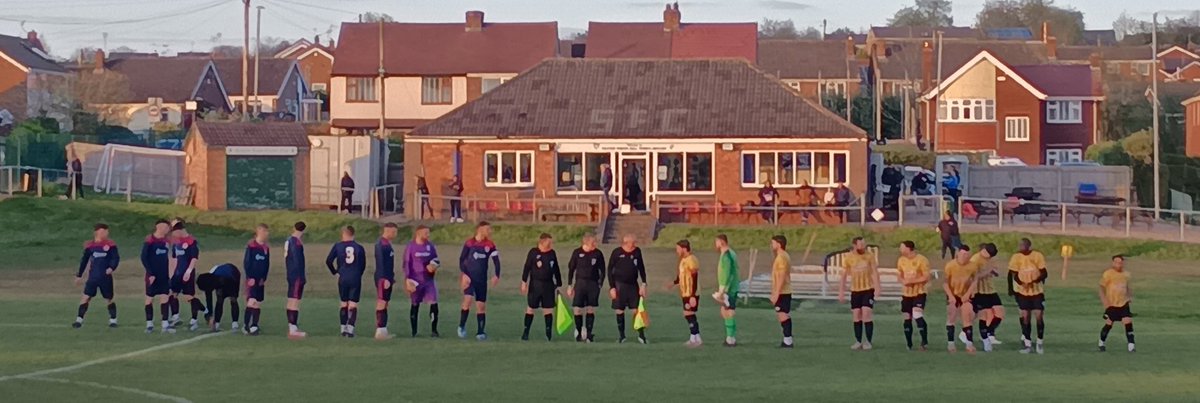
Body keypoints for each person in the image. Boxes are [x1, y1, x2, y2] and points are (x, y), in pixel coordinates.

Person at [457, 221, 501, 341]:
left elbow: (496, 261)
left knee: (481, 306)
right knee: (468, 300)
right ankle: (461, 326)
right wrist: (464, 274)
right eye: (487, 229)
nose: (489, 231)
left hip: (481, 280)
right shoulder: (470, 243)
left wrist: (497, 275)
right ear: (480, 229)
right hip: (470, 278)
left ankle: (480, 332)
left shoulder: (490, 245)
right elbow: (461, 260)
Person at [72, 223, 120, 329]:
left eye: (106, 231)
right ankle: (79, 320)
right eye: (103, 231)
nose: (105, 234)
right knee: (86, 297)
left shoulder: (110, 245)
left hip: (105, 277)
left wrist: (111, 268)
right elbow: (84, 261)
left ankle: (113, 320)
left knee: (109, 298)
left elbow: (115, 258)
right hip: (93, 277)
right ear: (96, 232)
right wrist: (79, 275)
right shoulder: (90, 246)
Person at [838, 237, 880, 350]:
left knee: (866, 313)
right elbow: (844, 275)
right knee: (856, 314)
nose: (862, 247)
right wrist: (841, 291)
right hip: (855, 290)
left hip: (868, 289)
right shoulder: (848, 258)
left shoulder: (869, 256)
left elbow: (875, 272)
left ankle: (868, 341)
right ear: (854, 245)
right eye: (860, 245)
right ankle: (858, 341)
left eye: (864, 245)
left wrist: (877, 288)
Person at [1008, 238, 1048, 354]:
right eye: (1020, 245)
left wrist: (1034, 281)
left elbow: (1044, 273)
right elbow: (1014, 275)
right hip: (1023, 292)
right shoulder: (1016, 257)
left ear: (1029, 246)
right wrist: (1022, 284)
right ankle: (1028, 344)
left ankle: (1040, 343)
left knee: (1039, 316)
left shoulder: (1037, 256)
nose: (1021, 247)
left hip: (1037, 292)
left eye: (1023, 245)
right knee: (1025, 317)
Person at [326, 226, 367, 338]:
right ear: (353, 235)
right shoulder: (359, 247)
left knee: (343, 303)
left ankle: (343, 328)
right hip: (355, 277)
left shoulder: (338, 246)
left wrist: (335, 271)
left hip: (343, 277)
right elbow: (363, 265)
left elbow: (328, 260)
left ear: (343, 234)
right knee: (353, 304)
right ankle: (350, 330)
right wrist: (358, 274)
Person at [607, 234, 648, 344]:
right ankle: (622, 336)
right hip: (619, 285)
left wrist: (643, 284)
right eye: (632, 243)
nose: (634, 244)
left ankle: (641, 335)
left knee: (636, 310)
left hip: (633, 285)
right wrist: (612, 287)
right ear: (626, 243)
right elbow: (610, 270)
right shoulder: (617, 252)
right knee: (619, 310)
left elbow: (641, 268)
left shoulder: (637, 252)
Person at [520, 233, 562, 341]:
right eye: (549, 242)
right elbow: (527, 267)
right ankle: (526, 332)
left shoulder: (552, 253)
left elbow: (556, 268)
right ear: (542, 242)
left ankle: (548, 334)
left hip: (548, 285)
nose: (551, 244)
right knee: (531, 308)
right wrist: (524, 281)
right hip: (535, 285)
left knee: (548, 309)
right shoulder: (533, 252)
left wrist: (559, 283)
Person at [169, 221, 207, 332]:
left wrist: (188, 271)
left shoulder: (191, 242)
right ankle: (175, 317)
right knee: (172, 293)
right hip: (177, 273)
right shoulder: (177, 243)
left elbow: (194, 258)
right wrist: (171, 273)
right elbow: (174, 258)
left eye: (174, 232)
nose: (173, 235)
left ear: (180, 230)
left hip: (187, 274)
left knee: (189, 297)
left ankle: (195, 320)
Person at [403, 225, 441, 337]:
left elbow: (436, 260)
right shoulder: (411, 247)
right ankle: (414, 331)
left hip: (428, 280)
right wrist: (407, 279)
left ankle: (434, 331)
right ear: (418, 233)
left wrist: (434, 265)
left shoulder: (430, 246)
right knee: (415, 304)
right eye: (426, 233)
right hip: (415, 280)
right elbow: (406, 264)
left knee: (433, 302)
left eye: (428, 233)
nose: (428, 235)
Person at [567, 234, 605, 342]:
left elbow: (602, 270)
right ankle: (578, 333)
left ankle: (589, 334)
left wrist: (600, 284)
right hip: (580, 283)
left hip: (593, 284)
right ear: (586, 243)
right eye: (593, 243)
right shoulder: (577, 253)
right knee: (577, 309)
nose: (595, 244)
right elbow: (571, 269)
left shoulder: (598, 254)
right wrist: (570, 285)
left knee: (590, 308)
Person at [896, 240, 931, 351]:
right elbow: (899, 275)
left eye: (902, 247)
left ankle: (924, 341)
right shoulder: (901, 260)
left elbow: (926, 277)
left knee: (917, 314)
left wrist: (913, 281)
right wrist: (903, 281)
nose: (900, 250)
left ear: (908, 248)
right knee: (907, 318)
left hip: (919, 292)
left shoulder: (922, 260)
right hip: (906, 294)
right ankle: (909, 344)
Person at [944, 245, 979, 354]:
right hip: (953, 294)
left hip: (965, 295)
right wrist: (950, 296)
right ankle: (951, 344)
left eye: (968, 255)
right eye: (963, 254)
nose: (965, 257)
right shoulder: (950, 266)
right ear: (958, 253)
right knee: (951, 317)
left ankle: (969, 344)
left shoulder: (972, 266)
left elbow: (975, 281)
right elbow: (945, 283)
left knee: (967, 316)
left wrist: (968, 294)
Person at [666, 239, 701, 347]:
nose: (677, 251)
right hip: (685, 292)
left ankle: (694, 339)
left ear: (684, 248)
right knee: (688, 314)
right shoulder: (683, 260)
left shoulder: (691, 259)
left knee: (688, 313)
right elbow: (681, 275)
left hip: (691, 292)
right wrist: (673, 283)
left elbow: (694, 277)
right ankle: (696, 338)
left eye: (678, 248)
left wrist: (692, 295)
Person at [140, 219, 172, 334]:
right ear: (159, 227)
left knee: (165, 297)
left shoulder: (166, 241)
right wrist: (150, 273)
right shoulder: (150, 240)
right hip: (152, 275)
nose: (168, 230)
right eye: (166, 227)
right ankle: (149, 324)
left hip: (164, 275)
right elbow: (144, 257)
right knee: (149, 298)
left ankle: (165, 324)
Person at [1098, 255, 1136, 353]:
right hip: (1112, 304)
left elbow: (1126, 286)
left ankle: (1131, 346)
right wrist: (1105, 301)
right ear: (1113, 263)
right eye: (1116, 262)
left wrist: (1129, 296)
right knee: (1109, 323)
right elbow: (1101, 287)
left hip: (1123, 303)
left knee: (1128, 322)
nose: (1118, 264)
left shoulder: (1126, 274)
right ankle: (1101, 342)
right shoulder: (1108, 274)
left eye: (1120, 262)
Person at [971, 243, 1004, 351]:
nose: (990, 258)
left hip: (991, 289)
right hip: (980, 291)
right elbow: (973, 277)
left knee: (1000, 313)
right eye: (989, 255)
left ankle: (989, 332)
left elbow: (996, 270)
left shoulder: (990, 259)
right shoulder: (975, 260)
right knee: (984, 315)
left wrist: (995, 272)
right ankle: (985, 338)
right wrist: (987, 272)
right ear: (984, 251)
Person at [372, 223, 400, 340]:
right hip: (382, 278)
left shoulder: (387, 244)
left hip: (388, 278)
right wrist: (384, 278)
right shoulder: (381, 244)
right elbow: (381, 262)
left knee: (385, 302)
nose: (395, 234)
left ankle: (383, 330)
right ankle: (380, 332)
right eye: (393, 232)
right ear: (387, 231)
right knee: (382, 302)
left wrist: (391, 277)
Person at [241, 224, 270, 336]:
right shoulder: (251, 246)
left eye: (267, 231)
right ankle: (246, 325)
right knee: (251, 301)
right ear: (259, 232)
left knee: (257, 302)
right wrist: (250, 276)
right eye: (264, 231)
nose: (266, 234)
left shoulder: (266, 248)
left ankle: (255, 325)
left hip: (260, 279)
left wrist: (264, 278)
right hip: (252, 278)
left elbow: (267, 264)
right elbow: (247, 262)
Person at [713, 234, 740, 347]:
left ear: (721, 242)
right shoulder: (731, 253)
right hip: (731, 286)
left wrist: (722, 290)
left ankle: (731, 338)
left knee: (728, 311)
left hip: (729, 288)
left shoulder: (726, 255)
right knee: (725, 310)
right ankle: (730, 337)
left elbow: (727, 272)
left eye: (717, 242)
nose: (716, 244)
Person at [197, 263, 241, 332]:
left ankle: (235, 323)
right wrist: (210, 316)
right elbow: (209, 300)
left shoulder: (225, 278)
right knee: (219, 299)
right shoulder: (208, 281)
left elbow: (230, 284)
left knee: (233, 299)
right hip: (221, 278)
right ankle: (216, 323)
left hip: (233, 276)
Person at [283, 221, 307, 339]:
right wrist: (301, 276)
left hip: (290, 273)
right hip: (296, 274)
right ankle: (293, 328)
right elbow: (297, 261)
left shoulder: (288, 240)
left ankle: (292, 326)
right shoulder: (296, 242)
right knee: (295, 300)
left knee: (291, 299)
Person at [769, 235, 794, 348]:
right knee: (782, 314)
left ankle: (788, 340)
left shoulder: (782, 257)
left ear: (779, 244)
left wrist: (776, 293)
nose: (772, 245)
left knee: (783, 314)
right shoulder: (781, 256)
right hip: (782, 291)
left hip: (783, 291)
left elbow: (782, 276)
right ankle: (787, 339)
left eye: (773, 243)